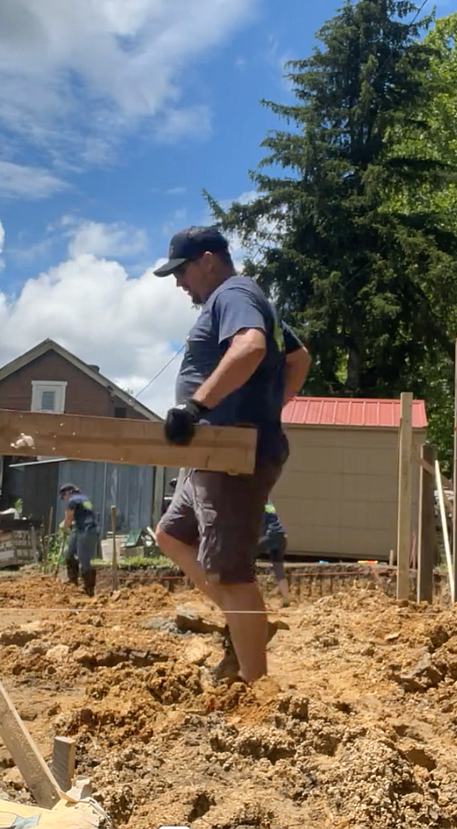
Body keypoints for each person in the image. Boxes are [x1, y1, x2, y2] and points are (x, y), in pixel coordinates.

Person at [153, 225, 311, 683]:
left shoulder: (234, 292)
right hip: (212, 453)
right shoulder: (245, 299)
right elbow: (300, 359)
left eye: (182, 272)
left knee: (230, 574)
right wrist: (271, 401)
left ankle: (255, 686)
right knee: (172, 536)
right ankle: (247, 626)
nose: (180, 284)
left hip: (231, 453)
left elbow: (251, 346)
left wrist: (195, 406)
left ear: (207, 260)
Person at [59, 484, 99, 596]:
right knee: (69, 552)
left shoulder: (72, 501)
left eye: (63, 497)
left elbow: (68, 519)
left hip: (86, 530)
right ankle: (73, 581)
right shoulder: (84, 499)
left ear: (67, 493)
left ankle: (89, 588)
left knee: (83, 558)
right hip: (82, 529)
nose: (64, 499)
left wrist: (63, 527)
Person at [260, 501, 290, 607]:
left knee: (248, 558)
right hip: (281, 536)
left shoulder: (256, 502)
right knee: (278, 567)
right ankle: (286, 599)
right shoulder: (269, 504)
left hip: (270, 535)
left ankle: (253, 598)